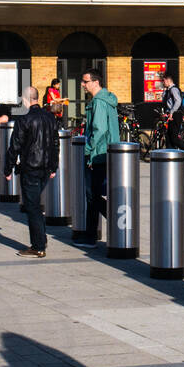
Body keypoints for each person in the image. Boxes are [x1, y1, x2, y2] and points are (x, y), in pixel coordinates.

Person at [4, 86, 59, 257]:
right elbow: (55, 144)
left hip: (31, 167)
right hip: (45, 167)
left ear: (25, 99)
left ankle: (38, 245)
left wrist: (8, 168)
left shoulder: (24, 120)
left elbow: (15, 146)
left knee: (32, 206)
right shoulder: (50, 118)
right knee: (35, 204)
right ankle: (41, 239)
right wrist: (53, 166)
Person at [78, 69, 118, 245]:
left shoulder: (99, 102)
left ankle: (94, 234)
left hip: (97, 155)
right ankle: (92, 233)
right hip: (105, 153)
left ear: (96, 82)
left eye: (85, 81)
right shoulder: (105, 100)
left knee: (92, 194)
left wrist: (88, 150)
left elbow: (99, 129)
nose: (82, 84)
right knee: (94, 193)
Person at [160, 71, 184, 146]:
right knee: (169, 137)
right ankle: (170, 155)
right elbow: (165, 103)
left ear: (168, 80)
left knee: (174, 139)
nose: (163, 83)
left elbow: (178, 101)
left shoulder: (173, 89)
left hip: (175, 115)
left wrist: (171, 112)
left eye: (163, 81)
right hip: (171, 115)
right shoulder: (168, 90)